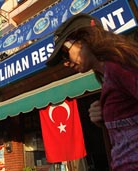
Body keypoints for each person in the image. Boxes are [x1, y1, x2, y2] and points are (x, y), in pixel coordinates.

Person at [46, 13, 138, 171]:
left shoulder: (118, 65)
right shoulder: (109, 75)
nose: (66, 63)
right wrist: (106, 114)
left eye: (64, 54)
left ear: (83, 40)